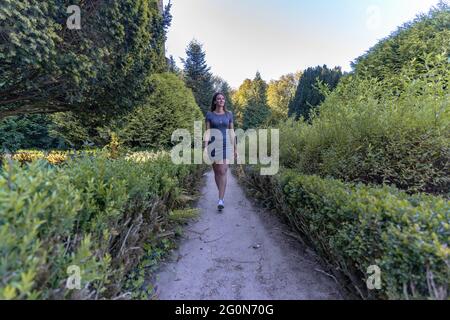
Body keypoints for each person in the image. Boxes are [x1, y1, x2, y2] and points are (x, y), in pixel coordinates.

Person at [204, 92, 238, 211]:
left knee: (223, 171)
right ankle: (221, 193)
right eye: (219, 99)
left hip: (226, 146)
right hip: (213, 146)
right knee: (217, 172)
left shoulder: (229, 114)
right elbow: (207, 132)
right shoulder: (209, 115)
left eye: (223, 99)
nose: (221, 100)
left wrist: (235, 148)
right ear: (215, 101)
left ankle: (220, 200)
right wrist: (205, 147)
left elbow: (231, 132)